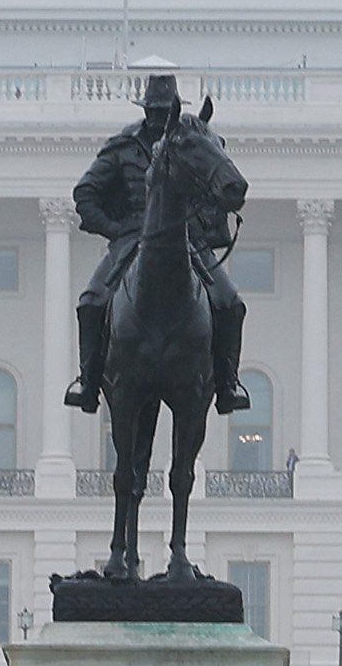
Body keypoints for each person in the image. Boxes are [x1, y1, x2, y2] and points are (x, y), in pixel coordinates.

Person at [59, 65, 247, 422]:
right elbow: (85, 193)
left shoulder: (194, 143)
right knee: (91, 301)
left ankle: (227, 383)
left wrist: (209, 220)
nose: (160, 118)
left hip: (187, 240)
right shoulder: (123, 147)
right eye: (155, 111)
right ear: (146, 110)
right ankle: (89, 380)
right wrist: (114, 228)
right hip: (130, 238)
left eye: (165, 111)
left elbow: (215, 186)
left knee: (230, 302)